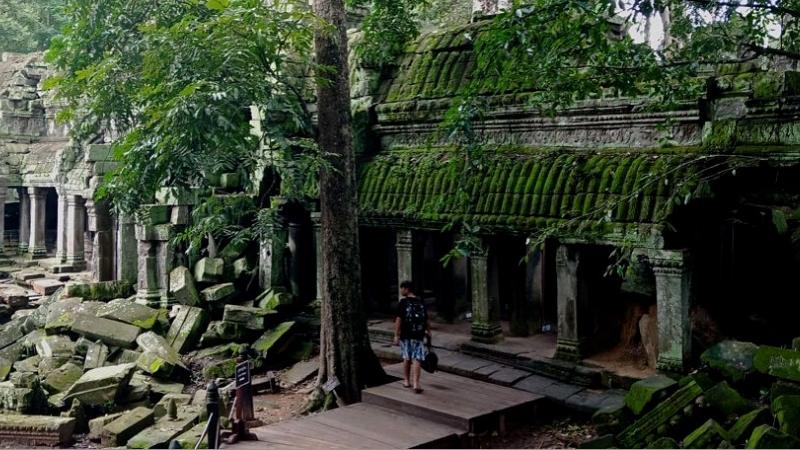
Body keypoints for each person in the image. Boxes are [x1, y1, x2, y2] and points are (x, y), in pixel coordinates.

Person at [393, 280, 431, 394]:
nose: (401, 291)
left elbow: (398, 320)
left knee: (407, 357)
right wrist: (429, 331)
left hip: (406, 334)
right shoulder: (421, 302)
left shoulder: (403, 303)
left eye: (402, 288)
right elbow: (426, 319)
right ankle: (416, 383)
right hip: (418, 335)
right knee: (417, 358)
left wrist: (396, 335)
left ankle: (406, 380)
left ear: (406, 289)